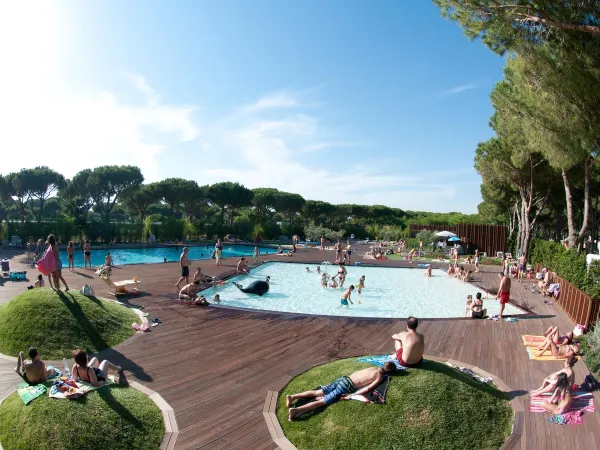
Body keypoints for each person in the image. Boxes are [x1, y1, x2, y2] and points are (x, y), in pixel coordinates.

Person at [286, 362, 397, 420]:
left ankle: (293, 396)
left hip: (343, 379)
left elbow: (356, 372)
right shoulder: (380, 376)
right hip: (346, 386)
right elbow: (368, 388)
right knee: (322, 401)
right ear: (389, 373)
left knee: (318, 392)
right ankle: (296, 410)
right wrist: (352, 395)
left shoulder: (373, 367)